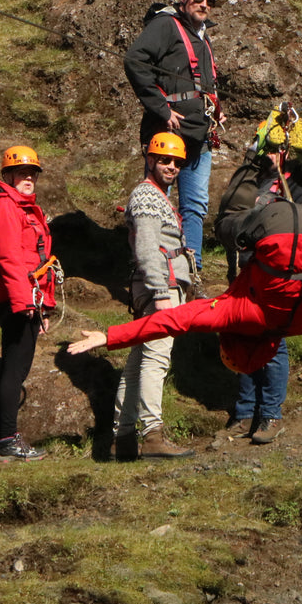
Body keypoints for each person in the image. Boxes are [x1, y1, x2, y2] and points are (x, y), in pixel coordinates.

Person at [68, 116, 302, 436]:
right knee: (229, 222)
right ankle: (264, 152)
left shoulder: (301, 322)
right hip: (280, 229)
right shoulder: (235, 315)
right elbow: (171, 321)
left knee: (297, 210)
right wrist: (108, 337)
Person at [0, 146, 59, 462]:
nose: (29, 177)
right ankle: (6, 440)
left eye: (33, 172)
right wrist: (26, 304)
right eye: (22, 173)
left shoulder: (20, 207)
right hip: (17, 298)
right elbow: (9, 260)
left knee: (11, 369)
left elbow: (32, 259)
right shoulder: (5, 207)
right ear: (8, 176)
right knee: (14, 372)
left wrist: (42, 305)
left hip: (25, 297)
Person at [124, 0, 224, 265]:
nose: (204, 4)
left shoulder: (201, 35)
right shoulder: (166, 25)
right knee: (153, 202)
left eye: (209, 0)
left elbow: (199, 82)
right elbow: (134, 60)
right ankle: (149, 267)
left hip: (199, 132)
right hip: (168, 133)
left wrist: (216, 109)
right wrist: (161, 108)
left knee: (195, 206)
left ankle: (191, 270)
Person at [114, 132, 197, 460]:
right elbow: (148, 247)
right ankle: (152, 435)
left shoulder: (156, 196)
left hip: (156, 286)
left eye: (177, 162)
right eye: (164, 160)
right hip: (160, 287)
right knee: (156, 358)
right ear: (149, 160)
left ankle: (122, 437)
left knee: (138, 360)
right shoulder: (148, 196)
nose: (172, 167)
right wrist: (162, 291)